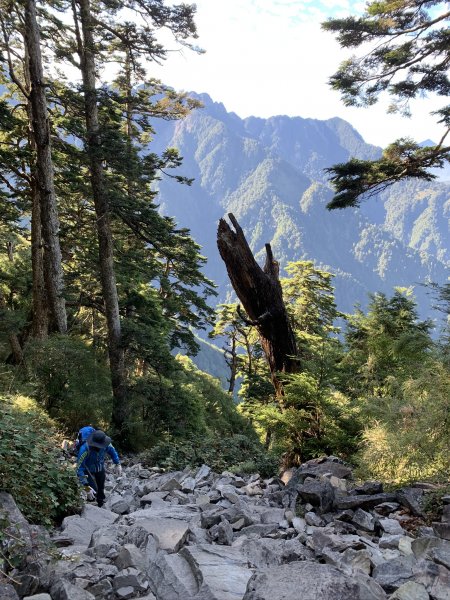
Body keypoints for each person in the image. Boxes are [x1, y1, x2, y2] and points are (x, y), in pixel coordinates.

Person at [77, 430, 122, 507]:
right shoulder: (84, 449)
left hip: (100, 467)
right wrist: (86, 486)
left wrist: (117, 463)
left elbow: (113, 451)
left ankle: (100, 503)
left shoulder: (107, 444)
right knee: (93, 490)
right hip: (88, 470)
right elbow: (79, 469)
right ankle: (91, 505)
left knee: (101, 486)